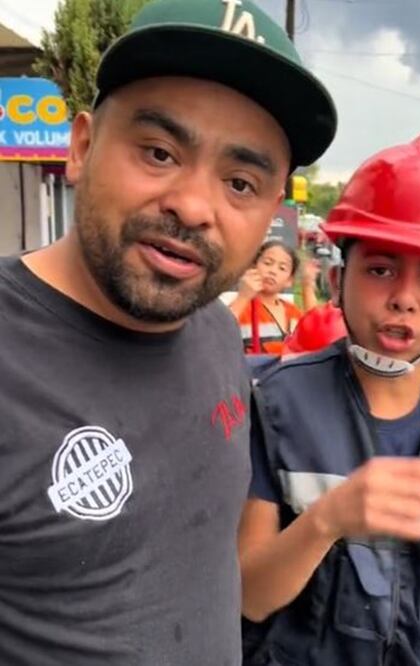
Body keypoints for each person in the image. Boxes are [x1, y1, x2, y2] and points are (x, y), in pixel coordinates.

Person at [0, 0, 336, 663]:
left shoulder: (215, 332)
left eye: (240, 182)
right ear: (83, 147)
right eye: (158, 152)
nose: (192, 205)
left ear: (271, 210)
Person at [237, 130, 420, 666]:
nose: (404, 298)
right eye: (380, 270)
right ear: (337, 279)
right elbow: (249, 597)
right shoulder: (274, 406)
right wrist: (326, 520)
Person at [230, 239, 319, 354]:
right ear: (253, 267)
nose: (273, 271)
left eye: (282, 268)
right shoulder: (241, 305)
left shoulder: (292, 312)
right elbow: (217, 333)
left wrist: (307, 286)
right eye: (267, 263)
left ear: (289, 280)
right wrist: (243, 297)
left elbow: (315, 329)